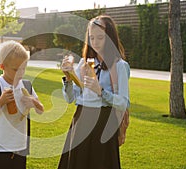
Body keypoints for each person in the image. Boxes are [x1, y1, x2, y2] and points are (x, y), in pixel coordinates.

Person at [58, 15, 130, 169]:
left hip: (103, 124)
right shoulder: (84, 63)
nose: (95, 42)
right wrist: (69, 79)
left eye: (100, 38)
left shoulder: (120, 66)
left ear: (110, 38)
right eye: (91, 38)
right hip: (80, 119)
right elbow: (71, 99)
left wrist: (101, 91)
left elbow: (123, 102)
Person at [0, 40, 44, 169]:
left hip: (20, 145)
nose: (20, 73)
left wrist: (34, 103)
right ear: (2, 66)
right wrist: (1, 101)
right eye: (16, 69)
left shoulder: (26, 85)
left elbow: (41, 110)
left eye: (23, 68)